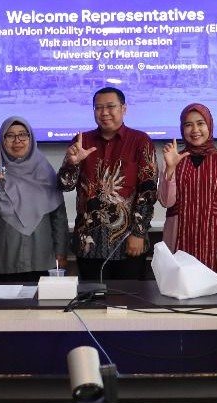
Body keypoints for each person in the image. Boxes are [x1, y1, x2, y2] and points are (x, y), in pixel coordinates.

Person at [57, 87, 157, 281]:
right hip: (89, 244)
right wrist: (71, 164)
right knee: (92, 297)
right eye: (98, 108)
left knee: (128, 297)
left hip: (128, 243)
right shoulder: (82, 141)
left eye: (110, 106)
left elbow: (148, 190)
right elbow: (65, 185)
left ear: (123, 109)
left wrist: (138, 233)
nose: (104, 113)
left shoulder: (140, 141)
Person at [0, 116, 69, 282]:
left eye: (23, 135)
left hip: (40, 258)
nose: (17, 140)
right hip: (1, 260)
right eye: (10, 136)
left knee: (40, 299)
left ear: (31, 138)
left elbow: (58, 217)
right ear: (2, 139)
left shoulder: (44, 171)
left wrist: (61, 252)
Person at [157, 103, 217, 275]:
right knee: (179, 287)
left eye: (200, 123)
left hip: (213, 240)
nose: (195, 130)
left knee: (214, 289)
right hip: (179, 241)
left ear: (209, 125)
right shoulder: (173, 159)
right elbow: (166, 202)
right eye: (188, 125)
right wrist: (170, 169)